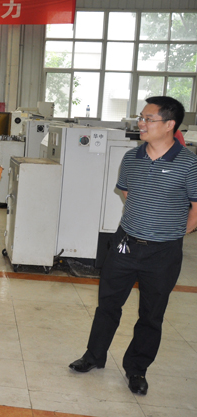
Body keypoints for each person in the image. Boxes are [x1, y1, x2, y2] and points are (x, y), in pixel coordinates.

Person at [69, 96, 197, 396]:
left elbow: (196, 207)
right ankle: (94, 356)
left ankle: (137, 368)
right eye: (141, 117)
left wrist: (172, 232)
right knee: (108, 304)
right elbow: (127, 194)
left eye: (148, 119)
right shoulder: (131, 158)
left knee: (151, 314)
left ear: (170, 124)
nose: (141, 123)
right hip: (125, 243)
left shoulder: (189, 163)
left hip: (163, 253)